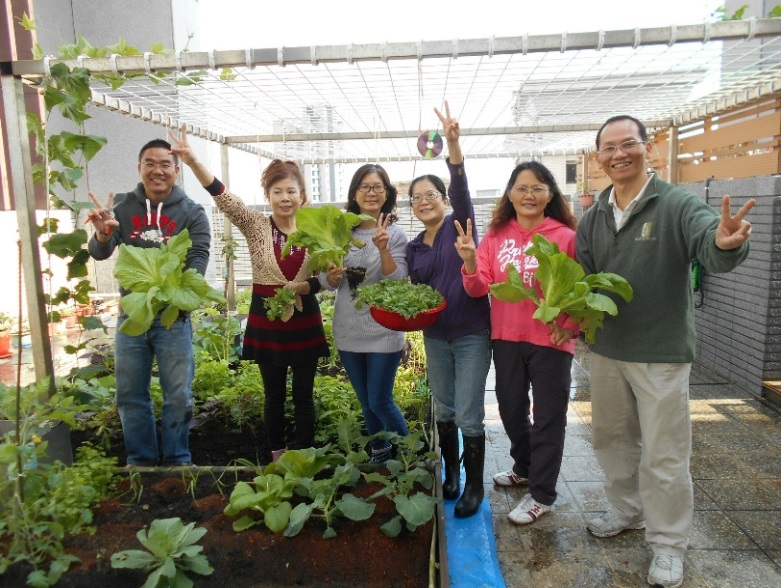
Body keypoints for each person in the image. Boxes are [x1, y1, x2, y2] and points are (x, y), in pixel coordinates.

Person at [576, 115, 755, 588]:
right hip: (609, 349)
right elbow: (584, 280)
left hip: (661, 353)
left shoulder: (677, 203)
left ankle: (669, 544)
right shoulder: (593, 217)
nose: (619, 154)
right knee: (612, 441)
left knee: (665, 454)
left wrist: (725, 241)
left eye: (628, 144)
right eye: (609, 148)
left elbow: (710, 245)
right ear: (599, 159)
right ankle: (627, 511)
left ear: (647, 148)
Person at [169, 125, 329, 461]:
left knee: (303, 395)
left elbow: (330, 277)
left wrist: (307, 285)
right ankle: (278, 454)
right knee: (273, 396)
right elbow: (222, 195)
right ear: (268, 195)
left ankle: (307, 455)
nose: (285, 198)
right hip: (267, 323)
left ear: (302, 195)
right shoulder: (255, 224)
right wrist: (193, 159)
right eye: (277, 192)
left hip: (305, 322)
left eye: (291, 191)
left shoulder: (316, 229)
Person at [457, 160, 579, 525]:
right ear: (509, 194)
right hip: (506, 337)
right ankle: (525, 467)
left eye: (538, 188)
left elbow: (580, 288)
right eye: (522, 188)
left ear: (550, 195)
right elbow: (478, 287)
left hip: (551, 339)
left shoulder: (565, 236)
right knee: (510, 410)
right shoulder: (496, 236)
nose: (529, 195)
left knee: (548, 418)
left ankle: (542, 493)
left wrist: (570, 326)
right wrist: (468, 263)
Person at [87, 138, 211, 467]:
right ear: (139, 168)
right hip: (131, 318)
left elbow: (199, 258)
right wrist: (102, 232)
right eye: (150, 163)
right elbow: (101, 250)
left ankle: (178, 460)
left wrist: (175, 291)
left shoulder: (192, 212)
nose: (157, 170)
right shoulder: (124, 207)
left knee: (179, 395)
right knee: (129, 394)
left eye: (165, 164)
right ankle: (140, 462)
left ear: (176, 170)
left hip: (173, 317)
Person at [405, 102, 491, 518]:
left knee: (471, 411)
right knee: (445, 408)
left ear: (443, 199)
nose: (425, 202)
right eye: (417, 198)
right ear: (412, 207)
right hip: (435, 335)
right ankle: (452, 476)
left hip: (472, 332)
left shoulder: (463, 223)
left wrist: (452, 145)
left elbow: (459, 185)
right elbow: (415, 294)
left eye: (431, 195)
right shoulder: (414, 246)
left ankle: (474, 485)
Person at [321, 164, 409, 464]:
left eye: (378, 186)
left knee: (380, 400)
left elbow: (397, 283)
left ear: (387, 193)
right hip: (348, 330)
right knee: (366, 403)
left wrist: (383, 249)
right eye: (365, 186)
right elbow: (325, 281)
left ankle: (412, 452)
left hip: (384, 330)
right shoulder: (339, 233)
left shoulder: (395, 234)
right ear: (355, 193)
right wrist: (330, 278)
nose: (371, 192)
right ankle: (381, 454)